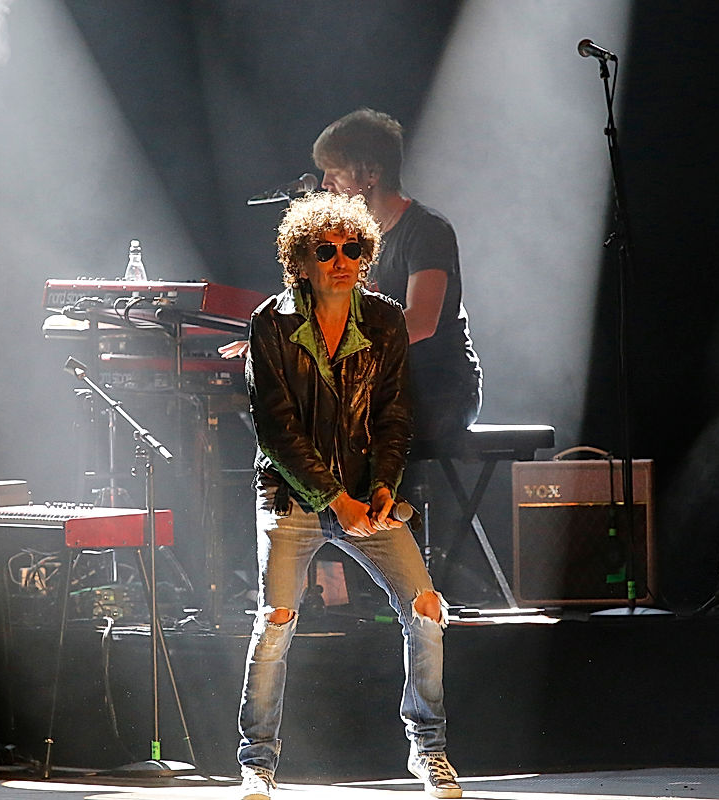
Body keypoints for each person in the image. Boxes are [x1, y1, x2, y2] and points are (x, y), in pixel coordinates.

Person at [236, 191, 462, 800]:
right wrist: (336, 501)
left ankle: (429, 752)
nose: (342, 259)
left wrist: (385, 486)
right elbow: (277, 429)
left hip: (367, 495)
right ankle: (257, 762)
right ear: (300, 261)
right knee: (277, 622)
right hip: (296, 499)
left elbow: (394, 415)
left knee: (426, 609)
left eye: (353, 248)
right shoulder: (270, 324)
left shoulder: (386, 320)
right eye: (326, 250)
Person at [312, 107, 481, 445]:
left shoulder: (427, 230)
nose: (325, 184)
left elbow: (421, 321)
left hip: (439, 387)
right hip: (383, 386)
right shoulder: (352, 239)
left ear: (371, 172)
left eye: (335, 171)